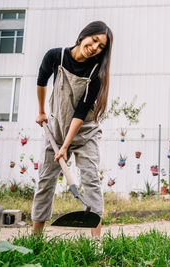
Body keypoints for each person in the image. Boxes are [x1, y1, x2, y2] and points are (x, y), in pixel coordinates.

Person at [32, 21, 113, 237]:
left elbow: (80, 112)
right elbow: (41, 81)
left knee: (91, 179)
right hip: (56, 131)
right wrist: (41, 111)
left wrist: (66, 146)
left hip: (85, 133)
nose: (95, 47)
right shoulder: (55, 56)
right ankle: (36, 238)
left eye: (101, 46)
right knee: (45, 181)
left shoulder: (96, 73)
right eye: (95, 40)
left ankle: (97, 242)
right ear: (84, 35)